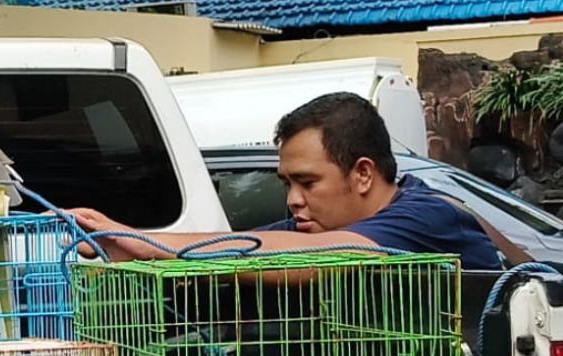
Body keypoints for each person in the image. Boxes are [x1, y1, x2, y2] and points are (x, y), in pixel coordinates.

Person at [70, 92, 504, 271]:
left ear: (364, 173)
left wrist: (146, 243)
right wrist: (130, 248)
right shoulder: (310, 229)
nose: (294, 200)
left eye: (308, 183)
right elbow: (241, 248)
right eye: (287, 184)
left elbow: (323, 257)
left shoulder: (425, 216)